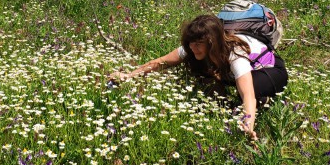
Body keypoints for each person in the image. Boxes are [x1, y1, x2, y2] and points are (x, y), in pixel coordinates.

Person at [110, 14, 288, 140]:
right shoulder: (192, 46)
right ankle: (223, 107)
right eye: (190, 43)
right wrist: (128, 76)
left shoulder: (235, 53)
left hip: (270, 70)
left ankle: (262, 102)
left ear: (212, 42)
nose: (193, 47)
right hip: (237, 72)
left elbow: (247, 93)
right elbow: (160, 63)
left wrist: (248, 124)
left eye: (198, 44)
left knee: (252, 90)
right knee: (206, 74)